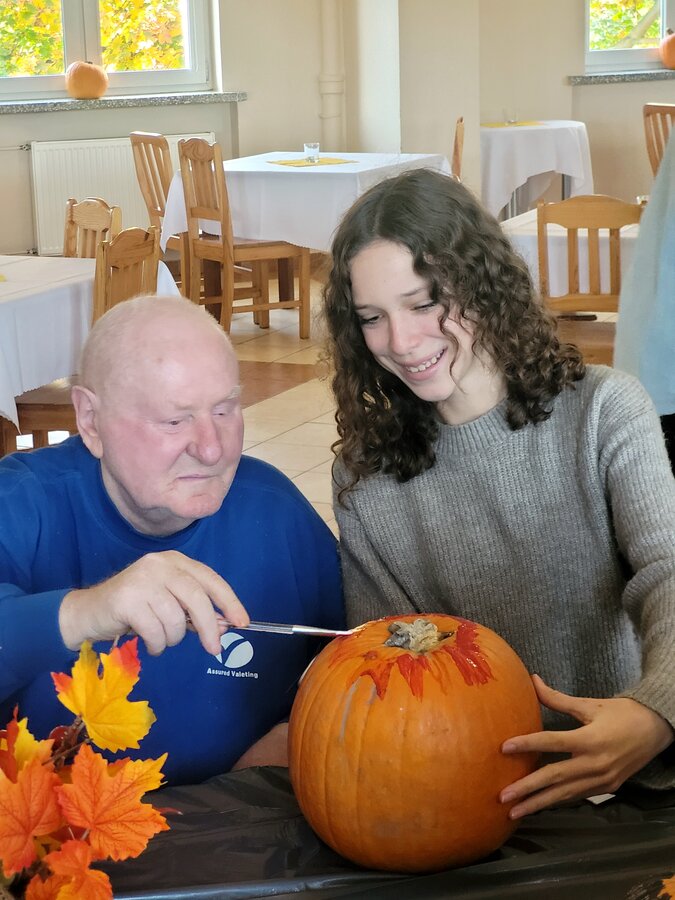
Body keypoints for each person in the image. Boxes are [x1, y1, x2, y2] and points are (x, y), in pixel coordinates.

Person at [322, 168, 675, 820]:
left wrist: (655, 711)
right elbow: (392, 675)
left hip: (641, 783)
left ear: (482, 283)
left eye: (423, 304)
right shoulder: (363, 481)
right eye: (372, 318)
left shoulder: (605, 409)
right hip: (480, 802)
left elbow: (668, 571)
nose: (400, 342)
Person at [0, 295, 343, 785]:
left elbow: (351, 663)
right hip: (52, 826)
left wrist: (298, 731)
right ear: (91, 420)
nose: (211, 449)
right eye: (174, 420)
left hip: (238, 821)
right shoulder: (21, 501)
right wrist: (85, 611)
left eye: (224, 410)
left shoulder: (276, 511)